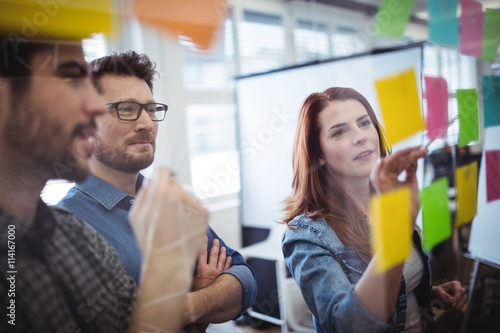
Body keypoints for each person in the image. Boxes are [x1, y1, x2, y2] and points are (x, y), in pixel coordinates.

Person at [0, 36, 207, 332]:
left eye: (150, 110)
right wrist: (169, 273)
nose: (95, 107)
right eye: (70, 78)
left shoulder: (72, 235)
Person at [57, 51, 257, 331]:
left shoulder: (166, 198)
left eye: (151, 109)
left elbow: (244, 279)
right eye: (125, 109)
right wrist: (201, 298)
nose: (147, 124)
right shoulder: (66, 227)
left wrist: (188, 306)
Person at [281, 87, 467, 333]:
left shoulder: (386, 201)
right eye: (339, 132)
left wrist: (429, 292)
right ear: (318, 155)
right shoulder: (306, 234)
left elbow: (397, 288)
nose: (360, 136)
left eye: (364, 123)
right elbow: (347, 324)